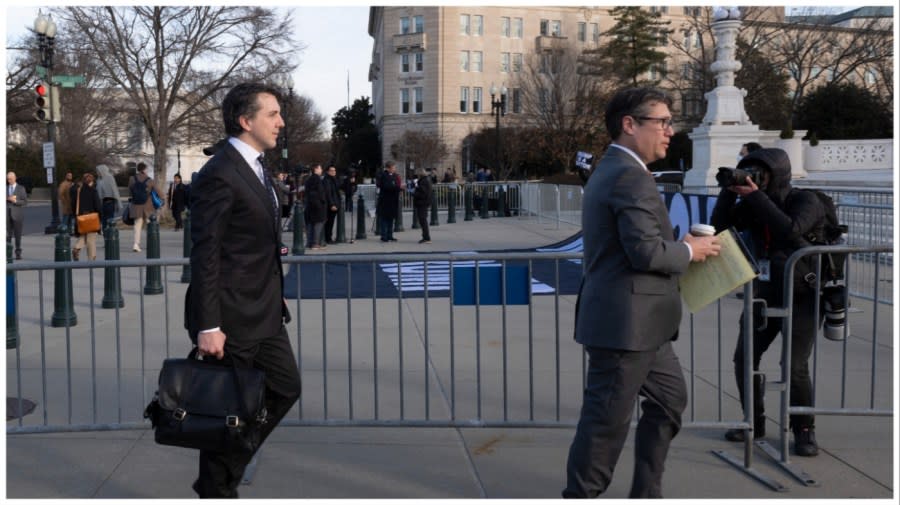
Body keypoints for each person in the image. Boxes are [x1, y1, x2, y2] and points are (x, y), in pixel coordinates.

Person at [563, 87, 721, 499]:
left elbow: (639, 242)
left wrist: (680, 246)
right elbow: (645, 252)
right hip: (624, 327)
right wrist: (690, 250)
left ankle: (646, 492)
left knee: (669, 402)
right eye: (662, 122)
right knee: (604, 426)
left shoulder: (621, 169)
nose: (670, 130)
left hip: (644, 326)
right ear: (629, 125)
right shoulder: (627, 174)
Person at [185, 82, 301, 498]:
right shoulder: (219, 174)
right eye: (272, 114)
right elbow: (206, 254)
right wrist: (208, 324)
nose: (281, 122)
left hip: (265, 310)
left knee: (286, 387)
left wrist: (276, 287)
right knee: (226, 412)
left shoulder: (255, 166)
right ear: (245, 120)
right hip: (230, 318)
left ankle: (225, 469)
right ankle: (218, 487)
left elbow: (257, 242)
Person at [711, 147, 826, 457]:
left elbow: (791, 229)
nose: (753, 178)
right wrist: (728, 191)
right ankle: (754, 422)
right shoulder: (753, 204)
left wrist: (755, 197)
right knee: (744, 359)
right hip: (764, 291)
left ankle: (804, 430)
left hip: (802, 293)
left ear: (778, 174)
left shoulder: (806, 200)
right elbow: (721, 228)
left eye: (759, 173)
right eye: (748, 172)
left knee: (795, 366)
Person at [70, 172, 102, 261]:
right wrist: (100, 217)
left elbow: (73, 204)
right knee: (91, 238)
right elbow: (98, 206)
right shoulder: (93, 191)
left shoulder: (78, 191)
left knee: (84, 235)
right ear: (91, 182)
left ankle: (77, 247)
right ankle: (91, 258)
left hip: (81, 217)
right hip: (91, 217)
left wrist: (75, 215)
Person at [128, 162, 156, 252]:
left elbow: (130, 190)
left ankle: (136, 244)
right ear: (144, 169)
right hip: (147, 206)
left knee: (137, 226)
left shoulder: (132, 179)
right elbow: (157, 190)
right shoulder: (149, 179)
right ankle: (151, 244)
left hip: (136, 205)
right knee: (149, 225)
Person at [376, 161, 403, 242]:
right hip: (385, 200)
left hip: (393, 200)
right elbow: (386, 186)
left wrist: (399, 188)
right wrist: (398, 188)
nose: (394, 169)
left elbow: (395, 184)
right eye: (393, 168)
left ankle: (390, 235)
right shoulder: (383, 175)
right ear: (388, 168)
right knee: (384, 219)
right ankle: (384, 236)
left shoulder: (394, 175)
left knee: (391, 219)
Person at [303, 164, 327, 249]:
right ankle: (315, 243)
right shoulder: (317, 179)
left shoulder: (308, 179)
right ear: (316, 169)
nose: (321, 170)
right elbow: (320, 192)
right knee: (318, 224)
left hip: (310, 205)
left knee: (310, 224)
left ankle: (309, 242)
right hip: (317, 206)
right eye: (320, 168)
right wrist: (322, 202)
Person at [6, 171, 28, 260]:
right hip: (6, 215)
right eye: (7, 179)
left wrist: (15, 201)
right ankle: (7, 253)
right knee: (7, 235)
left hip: (18, 215)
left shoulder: (21, 188)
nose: (9, 180)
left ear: (15, 178)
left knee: (18, 235)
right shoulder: (5, 188)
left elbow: (25, 201)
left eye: (10, 179)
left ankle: (18, 253)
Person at [95, 164, 121, 229]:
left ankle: (110, 232)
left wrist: (118, 202)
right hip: (102, 202)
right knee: (103, 218)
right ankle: (105, 232)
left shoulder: (110, 177)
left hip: (110, 201)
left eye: (98, 171)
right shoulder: (99, 179)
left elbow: (114, 190)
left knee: (110, 218)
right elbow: (98, 191)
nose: (97, 172)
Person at [412, 167, 432, 244]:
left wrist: (414, 193)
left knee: (423, 220)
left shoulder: (423, 181)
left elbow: (423, 193)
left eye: (417, 174)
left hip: (422, 203)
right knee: (423, 220)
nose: (416, 175)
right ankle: (426, 237)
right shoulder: (426, 180)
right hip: (424, 202)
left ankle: (426, 237)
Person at [323, 165, 340, 243]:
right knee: (329, 222)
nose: (334, 172)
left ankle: (328, 237)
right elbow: (328, 193)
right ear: (328, 171)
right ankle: (328, 238)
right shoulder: (327, 180)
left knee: (331, 222)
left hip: (335, 203)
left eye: (335, 170)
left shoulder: (334, 179)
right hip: (331, 205)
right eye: (332, 170)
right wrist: (332, 204)